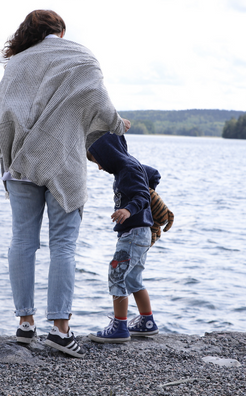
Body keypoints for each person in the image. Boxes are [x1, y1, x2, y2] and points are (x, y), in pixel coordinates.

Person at [0, 9, 130, 358]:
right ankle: (61, 331)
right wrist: (118, 125)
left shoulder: (18, 63)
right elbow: (100, 103)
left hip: (21, 164)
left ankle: (25, 324)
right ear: (60, 32)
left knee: (22, 240)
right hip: (64, 162)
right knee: (63, 245)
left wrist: (4, 144)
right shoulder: (80, 56)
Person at [86, 132, 160, 343]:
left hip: (133, 232)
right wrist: (151, 186)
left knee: (117, 275)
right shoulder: (130, 166)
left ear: (107, 154)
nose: (99, 167)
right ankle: (147, 322)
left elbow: (142, 196)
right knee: (133, 278)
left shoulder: (127, 169)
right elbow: (153, 174)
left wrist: (128, 209)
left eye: (98, 161)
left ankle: (120, 326)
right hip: (140, 233)